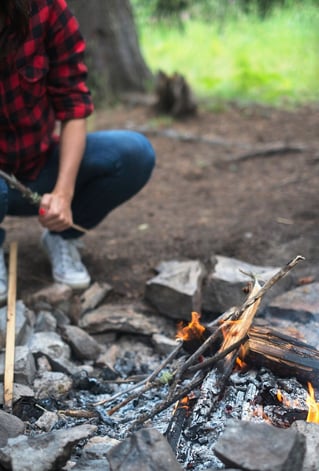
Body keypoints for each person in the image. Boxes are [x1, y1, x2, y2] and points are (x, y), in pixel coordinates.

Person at [0, 0, 156, 302]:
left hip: (39, 165)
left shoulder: (46, 10)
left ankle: (62, 237)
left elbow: (74, 105)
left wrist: (63, 193)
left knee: (134, 154)